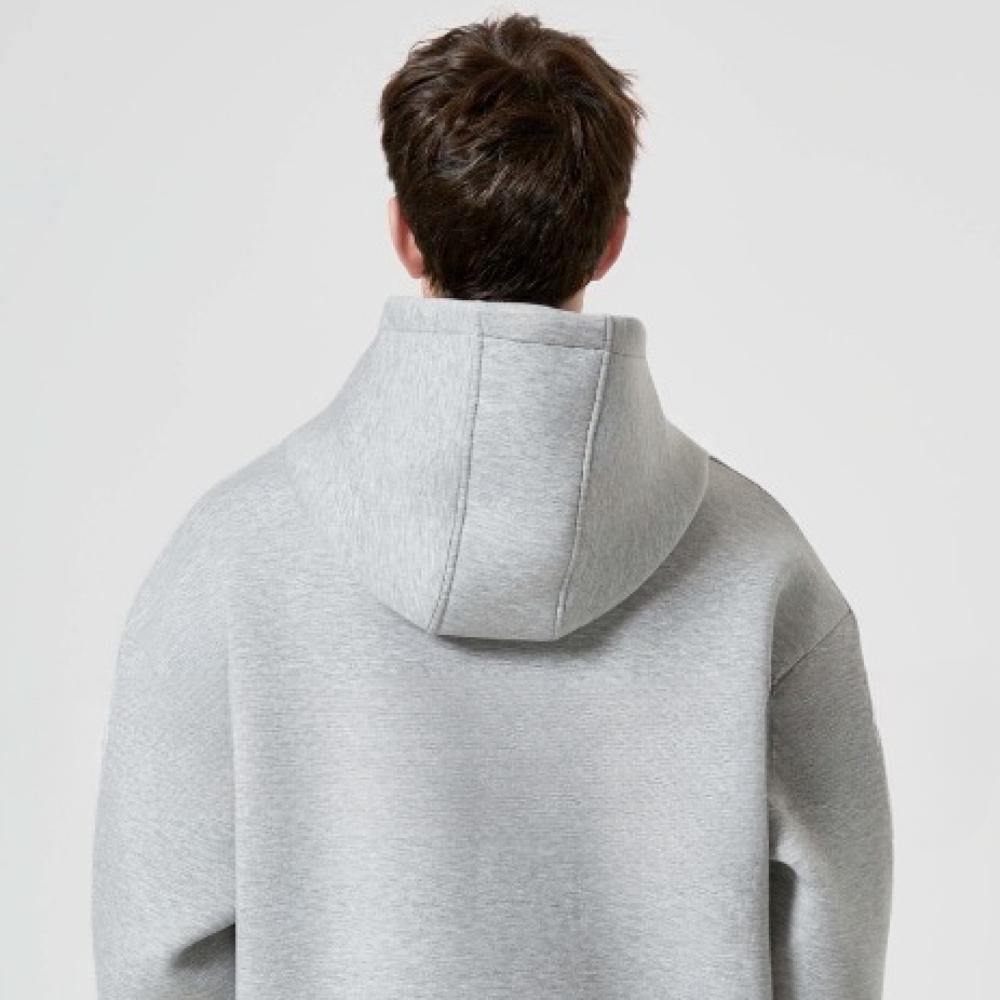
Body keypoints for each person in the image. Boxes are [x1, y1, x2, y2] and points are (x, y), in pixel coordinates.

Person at [91, 13, 893, 999]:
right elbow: (833, 951)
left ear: (402, 232)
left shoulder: (227, 563)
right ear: (611, 242)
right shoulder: (767, 575)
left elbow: (157, 958)